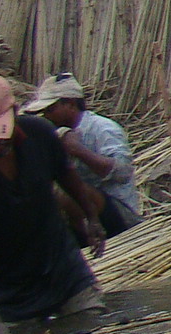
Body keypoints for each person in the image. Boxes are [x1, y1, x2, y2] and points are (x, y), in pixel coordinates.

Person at [0, 74, 105, 334]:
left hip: (62, 268)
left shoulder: (40, 135)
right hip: (9, 288)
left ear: (15, 113)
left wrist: (92, 218)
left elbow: (68, 176)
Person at [25, 74, 141, 237]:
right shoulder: (56, 133)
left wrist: (79, 150)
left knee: (66, 192)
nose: (46, 116)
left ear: (71, 104)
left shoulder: (102, 128)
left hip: (119, 214)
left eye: (50, 110)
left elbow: (123, 172)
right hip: (84, 214)